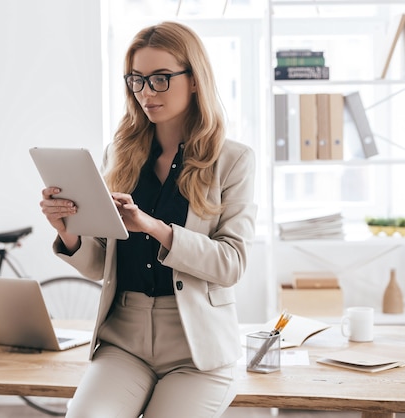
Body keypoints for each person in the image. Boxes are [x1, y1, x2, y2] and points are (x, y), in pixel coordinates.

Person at [39, 21, 257, 418]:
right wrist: (67, 233)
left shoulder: (233, 160)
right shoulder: (118, 155)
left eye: (160, 79)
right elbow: (100, 265)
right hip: (124, 342)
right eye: (137, 80)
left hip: (197, 350)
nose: (146, 93)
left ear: (194, 79)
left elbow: (232, 264)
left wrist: (154, 227)